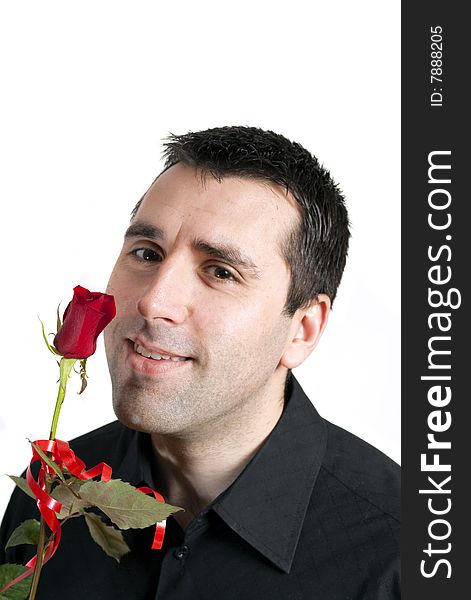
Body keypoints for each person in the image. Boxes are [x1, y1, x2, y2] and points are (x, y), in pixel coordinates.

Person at [0, 126, 400, 599]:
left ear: (303, 328)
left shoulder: (405, 555)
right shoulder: (50, 488)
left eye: (220, 272)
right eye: (146, 253)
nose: (154, 301)